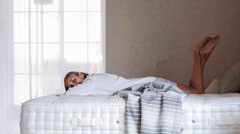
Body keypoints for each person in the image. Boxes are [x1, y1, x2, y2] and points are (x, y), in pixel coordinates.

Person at [64, 36, 220, 95]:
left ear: (80, 74)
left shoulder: (90, 83)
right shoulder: (95, 78)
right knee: (194, 90)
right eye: (70, 86)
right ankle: (200, 56)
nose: (73, 87)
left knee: (197, 92)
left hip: (152, 85)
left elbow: (69, 96)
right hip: (151, 82)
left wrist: (63, 93)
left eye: (72, 81)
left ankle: (198, 55)